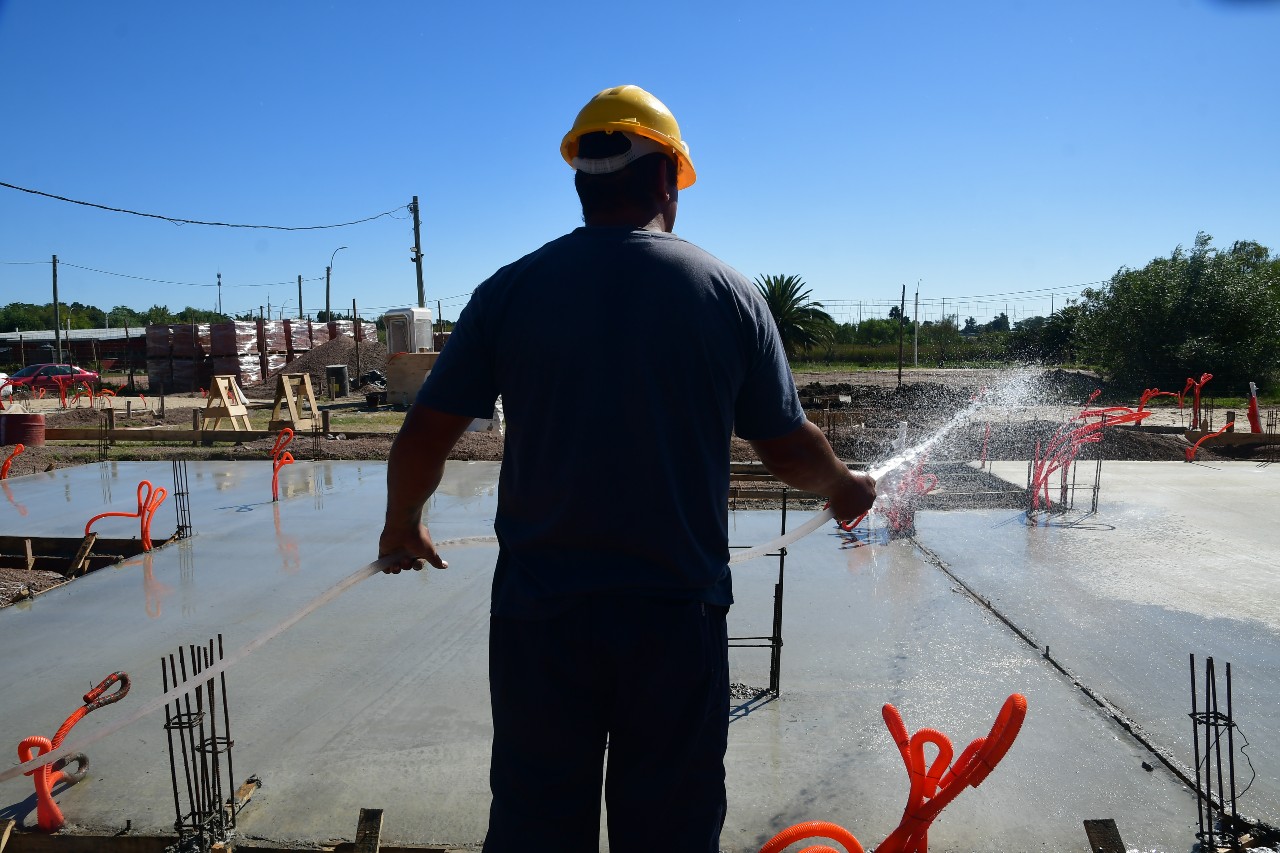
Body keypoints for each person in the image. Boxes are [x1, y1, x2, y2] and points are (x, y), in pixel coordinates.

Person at [377, 84, 877, 853]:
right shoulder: (727, 294)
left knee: (536, 829)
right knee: (669, 832)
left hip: (540, 621)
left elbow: (424, 433)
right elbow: (785, 447)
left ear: (582, 181)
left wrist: (402, 523)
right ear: (669, 177)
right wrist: (844, 488)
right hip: (674, 620)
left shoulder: (510, 291)